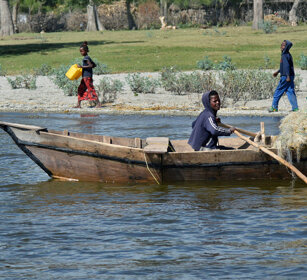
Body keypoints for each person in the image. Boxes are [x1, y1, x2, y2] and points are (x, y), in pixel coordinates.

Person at [268, 40, 298, 112]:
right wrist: (278, 72)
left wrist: (287, 76)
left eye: (284, 45)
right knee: (290, 92)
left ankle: (274, 107)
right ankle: (295, 108)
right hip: (290, 75)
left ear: (287, 47)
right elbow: (284, 66)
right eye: (281, 45)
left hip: (286, 77)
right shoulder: (287, 54)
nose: (282, 46)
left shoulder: (284, 55)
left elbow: (287, 66)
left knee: (278, 91)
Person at [74, 41, 101, 108]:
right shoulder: (87, 57)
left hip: (87, 77)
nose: (81, 53)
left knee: (90, 89)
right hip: (85, 77)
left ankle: (98, 103)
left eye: (82, 51)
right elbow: (94, 65)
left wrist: (82, 67)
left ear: (86, 51)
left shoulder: (86, 58)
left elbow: (91, 65)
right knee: (80, 89)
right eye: (80, 51)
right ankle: (78, 104)